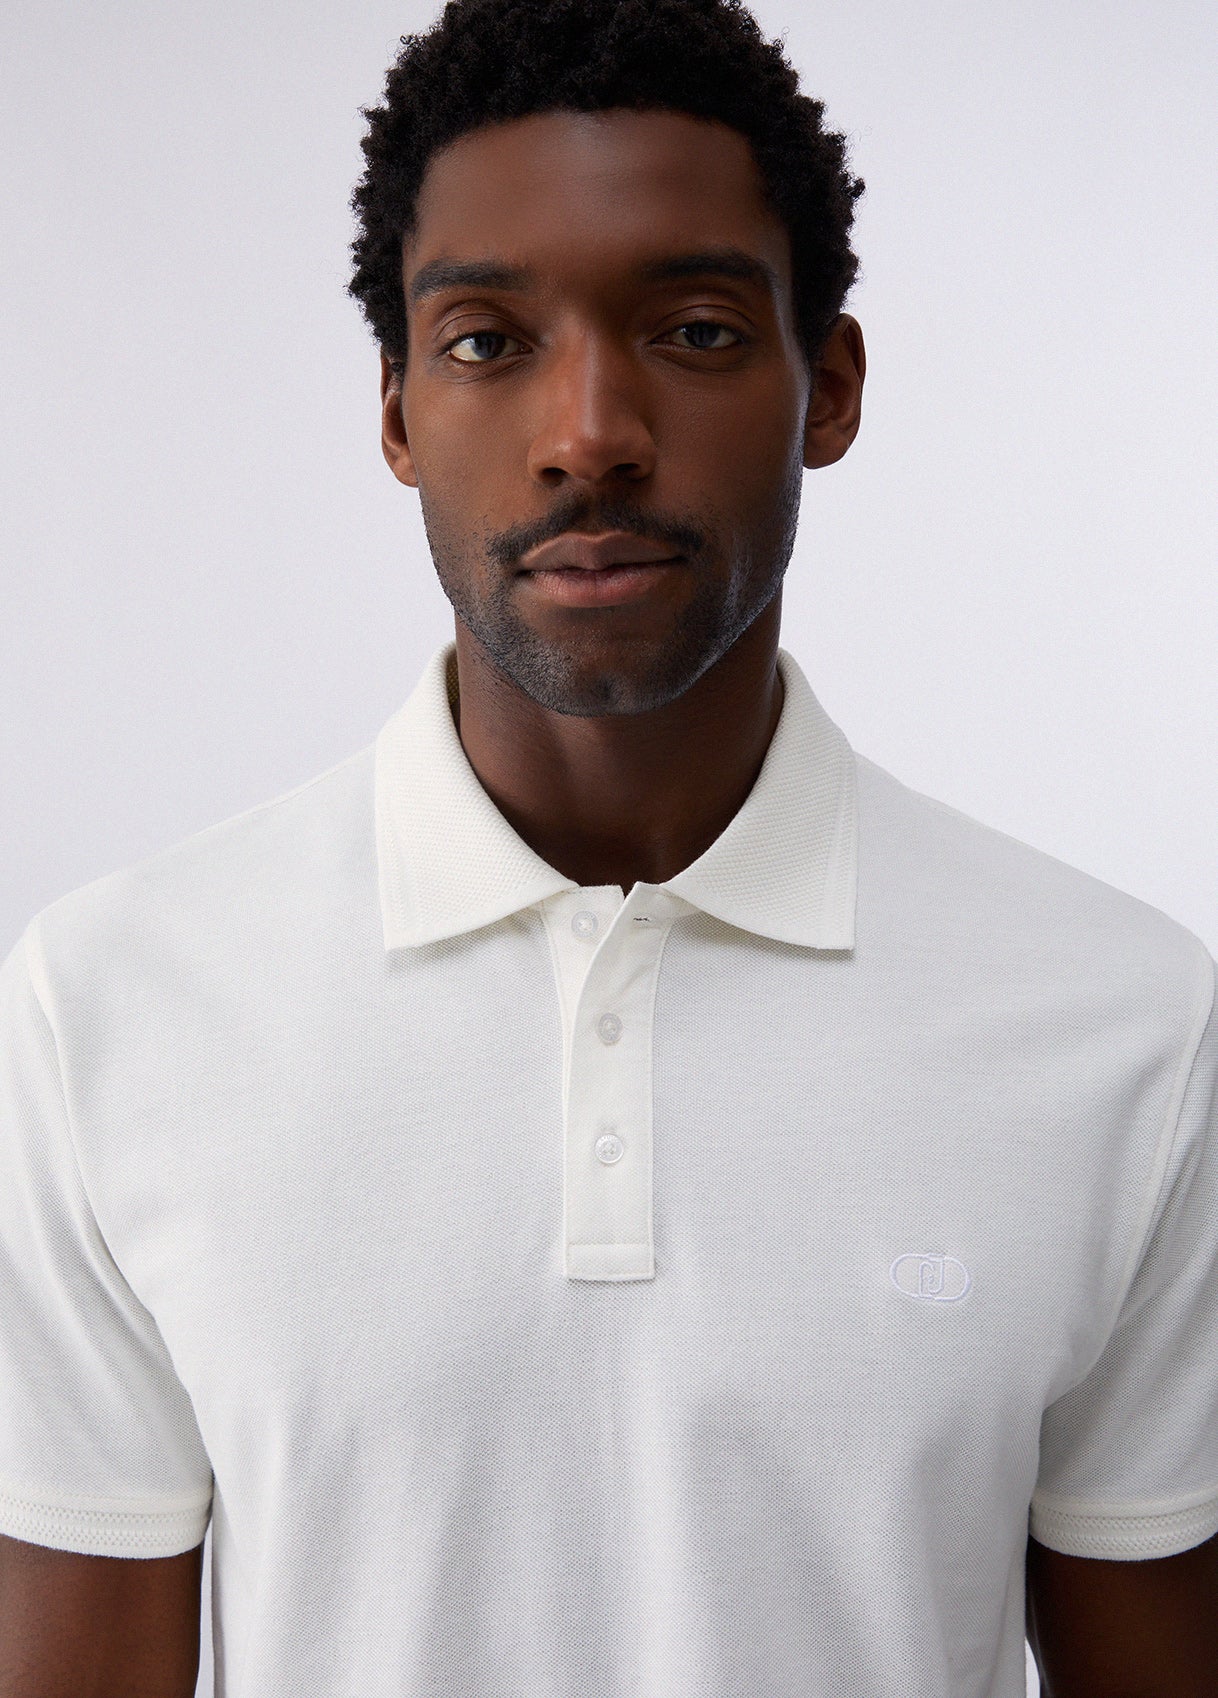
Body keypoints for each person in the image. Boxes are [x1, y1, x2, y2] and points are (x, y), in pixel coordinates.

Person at [1, 0, 1215, 1692]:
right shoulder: (113, 1006)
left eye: (695, 330)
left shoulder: (1119, 1023)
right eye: (485, 340)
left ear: (829, 387)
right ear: (397, 413)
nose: (588, 431)